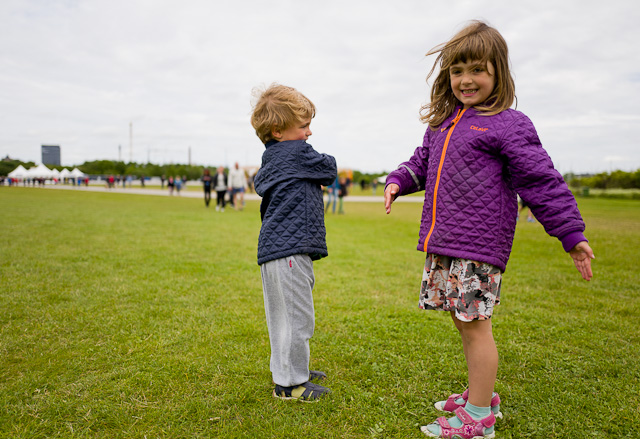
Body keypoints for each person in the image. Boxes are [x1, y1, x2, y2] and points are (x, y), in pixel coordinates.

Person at [383, 21, 594, 439]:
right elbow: (421, 163)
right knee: (464, 322)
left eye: (477, 70)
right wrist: (397, 180)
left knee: (476, 326)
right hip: (446, 241)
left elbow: (541, 181)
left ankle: (478, 417)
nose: (466, 79)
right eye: (458, 70)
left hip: (479, 246)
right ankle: (481, 394)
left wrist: (571, 233)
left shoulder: (508, 124)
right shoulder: (443, 123)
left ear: (498, 73)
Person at [251, 83, 337, 402]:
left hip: (275, 250)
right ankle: (290, 385)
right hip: (289, 249)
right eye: (303, 126)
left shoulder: (272, 156)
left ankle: (291, 367)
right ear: (278, 130)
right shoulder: (298, 153)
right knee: (297, 318)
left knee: (283, 317)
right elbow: (329, 168)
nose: (309, 133)